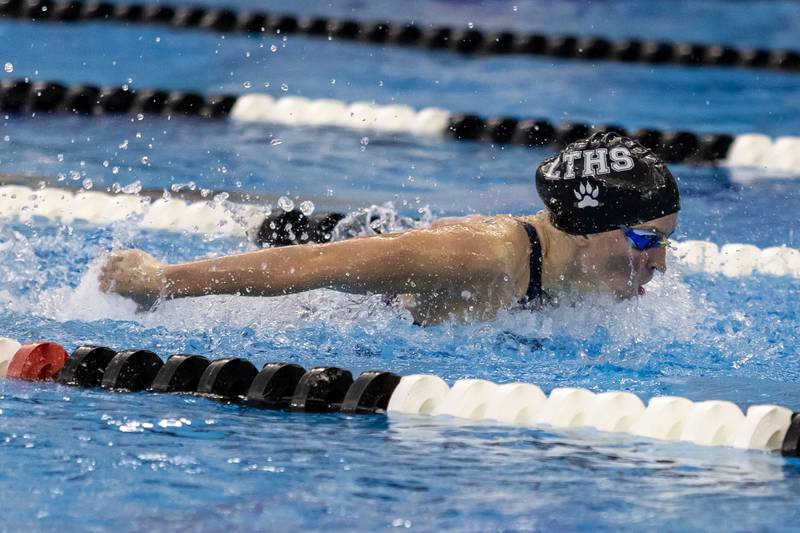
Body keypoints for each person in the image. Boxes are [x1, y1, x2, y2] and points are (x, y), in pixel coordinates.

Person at [99, 132, 680, 325]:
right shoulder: (483, 258)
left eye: (664, 242)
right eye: (644, 240)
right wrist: (163, 279)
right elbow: (308, 268)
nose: (657, 264)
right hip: (340, 278)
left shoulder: (580, 278)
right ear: (582, 227)